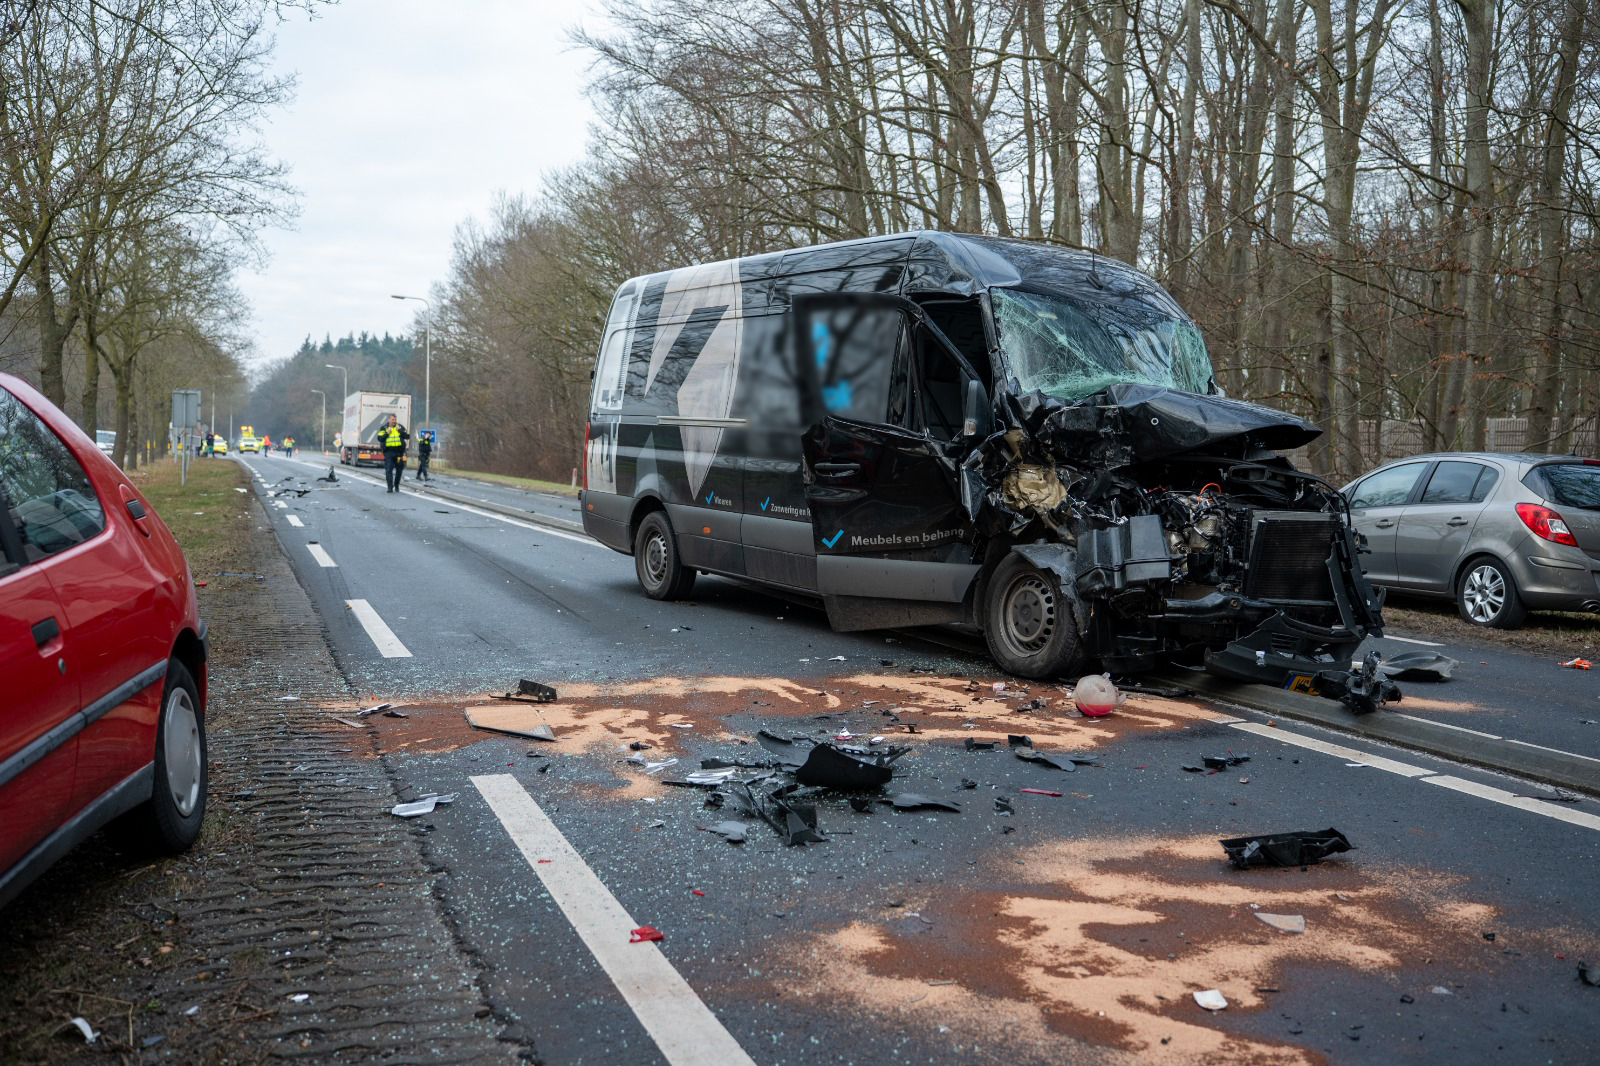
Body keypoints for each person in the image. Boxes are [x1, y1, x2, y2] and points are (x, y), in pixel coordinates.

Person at [379, 413, 409, 492]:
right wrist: (387, 433)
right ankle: (390, 487)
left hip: (399, 452)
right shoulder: (384, 428)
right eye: (392, 419)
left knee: (399, 469)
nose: (394, 421)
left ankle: (396, 485)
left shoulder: (400, 427)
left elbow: (407, 436)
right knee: (389, 469)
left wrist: (400, 431)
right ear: (389, 419)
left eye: (395, 419)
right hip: (389, 452)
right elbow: (380, 438)